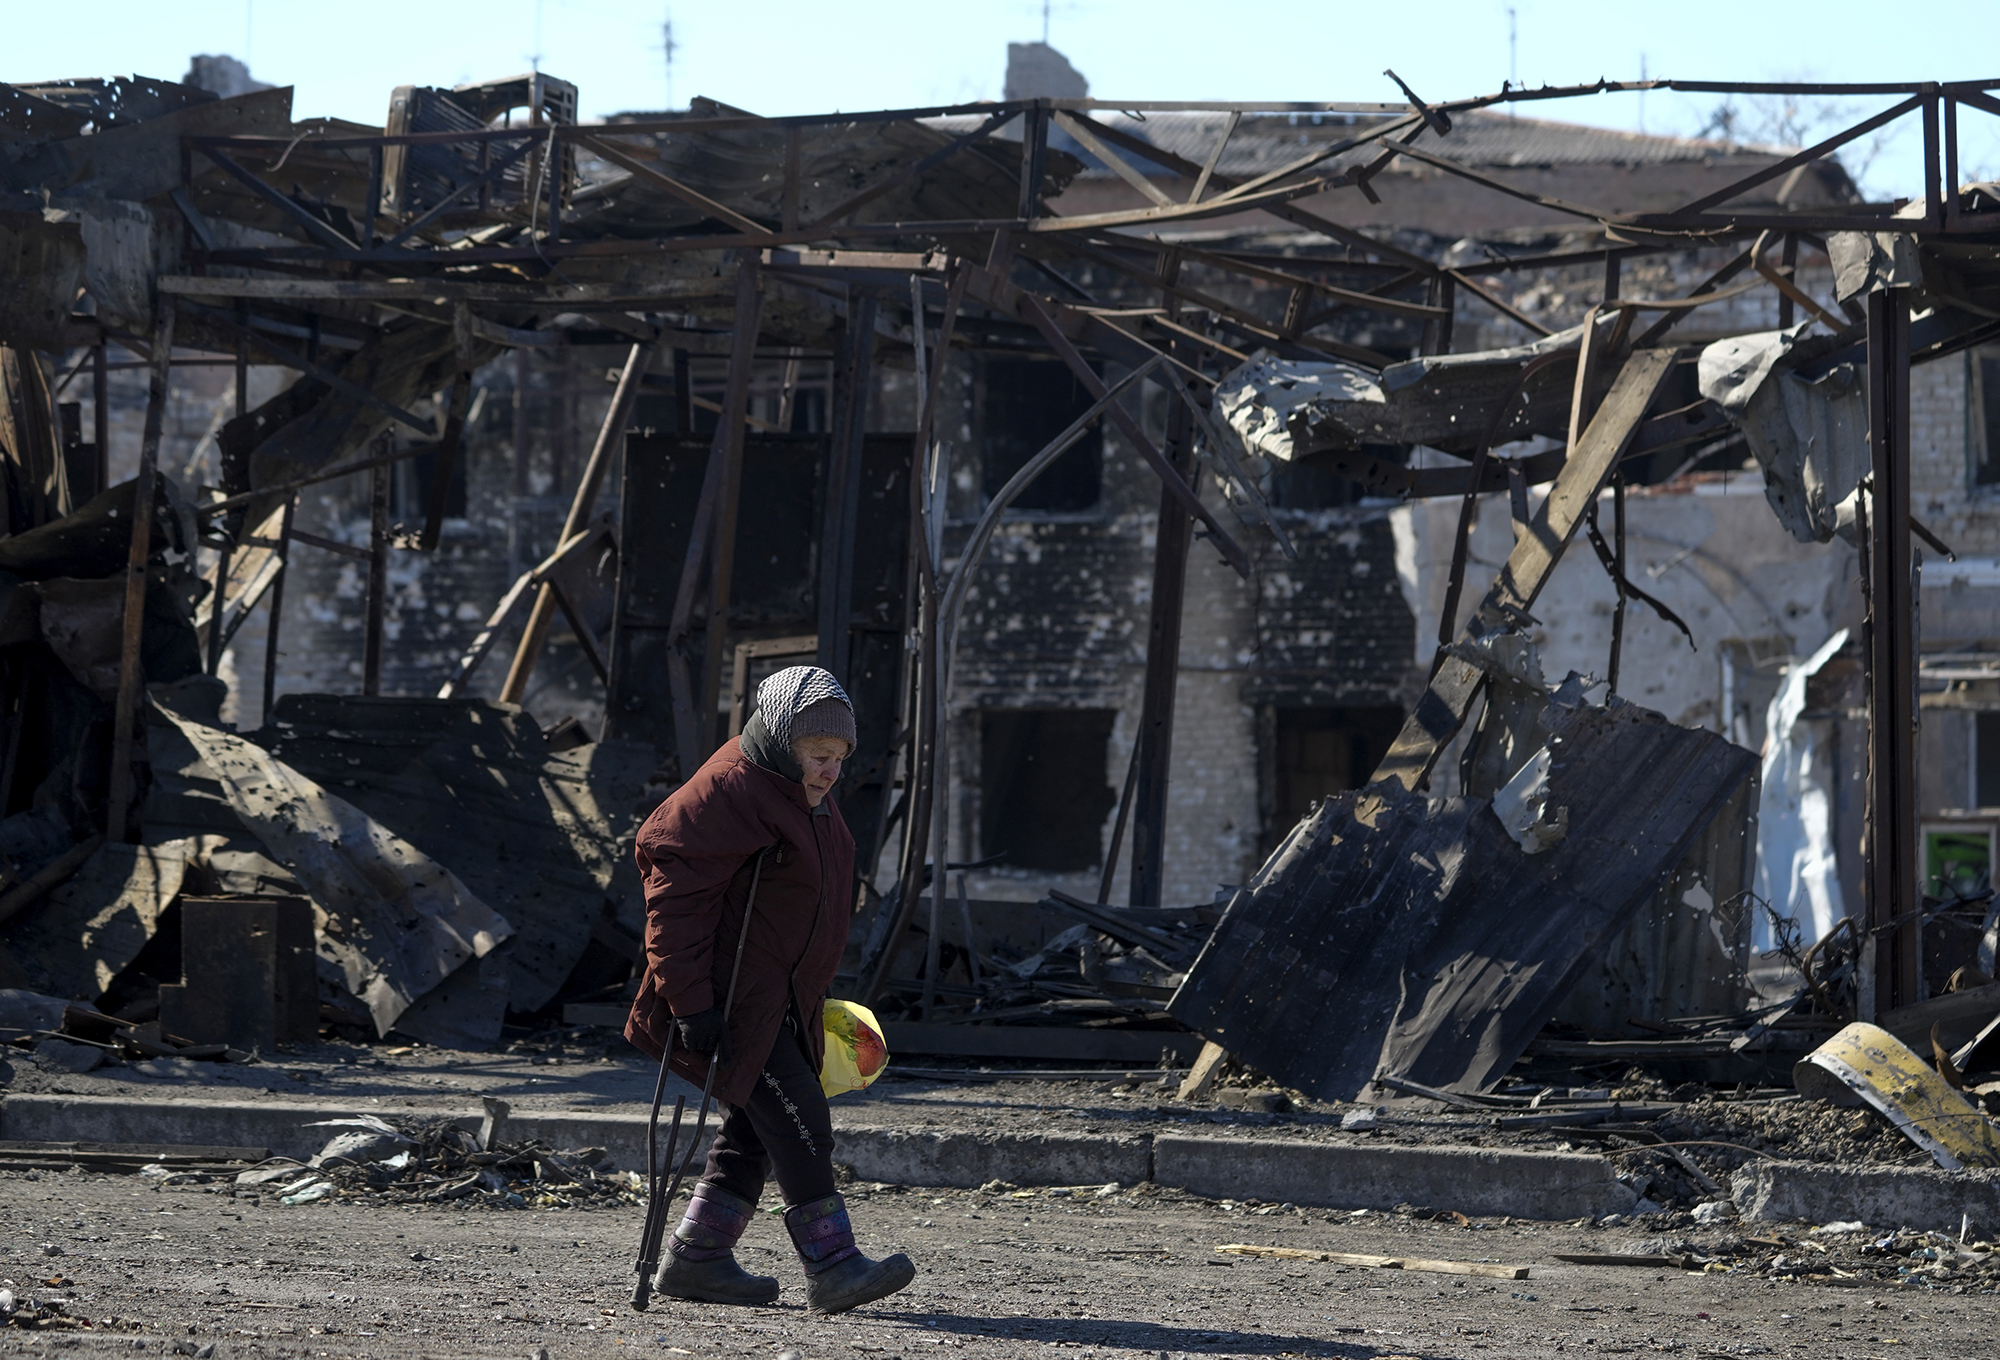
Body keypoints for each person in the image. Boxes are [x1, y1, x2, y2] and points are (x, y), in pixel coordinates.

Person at [624, 665, 915, 1314]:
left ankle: (698, 1259)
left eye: (840, 757)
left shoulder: (798, 785)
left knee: (757, 1132)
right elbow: (673, 892)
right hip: (731, 1002)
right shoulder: (731, 788)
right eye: (818, 756)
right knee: (800, 1117)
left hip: (783, 999)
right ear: (782, 740)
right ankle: (834, 1265)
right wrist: (690, 1003)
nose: (830, 771)